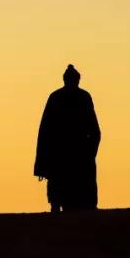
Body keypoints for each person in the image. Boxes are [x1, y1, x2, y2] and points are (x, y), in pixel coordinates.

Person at [33, 64, 101, 212]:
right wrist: (90, 153)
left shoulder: (60, 97)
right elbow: (95, 131)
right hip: (65, 156)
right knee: (65, 197)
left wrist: (90, 153)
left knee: (70, 198)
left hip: (70, 155)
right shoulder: (81, 97)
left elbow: (44, 132)